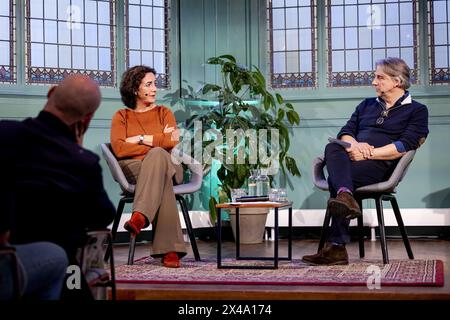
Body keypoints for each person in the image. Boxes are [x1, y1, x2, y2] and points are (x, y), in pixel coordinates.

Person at [302, 57, 429, 266]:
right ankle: (345, 196)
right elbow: (346, 132)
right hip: (352, 159)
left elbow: (405, 145)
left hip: (381, 166)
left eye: (380, 77)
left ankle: (337, 247)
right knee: (333, 146)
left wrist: (369, 153)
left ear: (397, 81)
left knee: (339, 178)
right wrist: (354, 146)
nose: (374, 82)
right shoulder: (366, 105)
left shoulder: (417, 110)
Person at [0, 74, 116, 298]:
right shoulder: (82, 162)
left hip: (8, 250)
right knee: (74, 283)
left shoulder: (4, 133)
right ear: (88, 118)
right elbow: (102, 215)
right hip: (58, 261)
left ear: (51, 92)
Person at [110, 65, 185, 268]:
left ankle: (140, 215)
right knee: (161, 175)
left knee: (159, 156)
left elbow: (173, 141)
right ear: (135, 89)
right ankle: (170, 249)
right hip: (135, 168)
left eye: (155, 84)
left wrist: (140, 139)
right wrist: (156, 144)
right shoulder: (121, 116)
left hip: (170, 165)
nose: (154, 89)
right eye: (149, 84)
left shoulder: (164, 112)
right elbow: (118, 148)